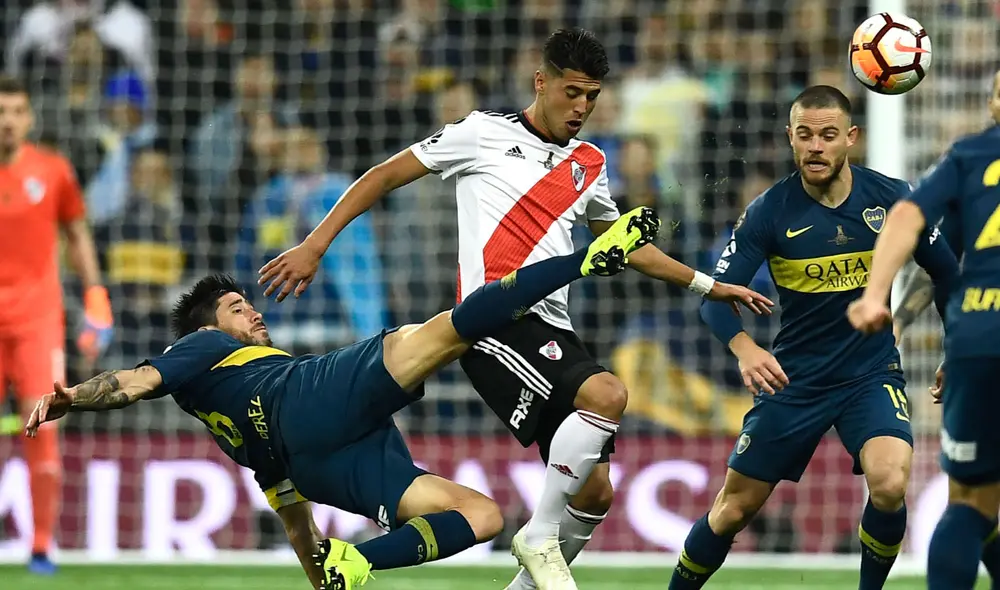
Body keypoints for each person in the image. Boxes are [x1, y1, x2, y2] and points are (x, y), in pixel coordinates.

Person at [256, 27, 773, 590]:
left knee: (596, 490)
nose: (582, 107)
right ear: (541, 82)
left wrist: (706, 284)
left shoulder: (590, 163)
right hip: (492, 319)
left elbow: (626, 246)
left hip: (552, 326)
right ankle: (538, 535)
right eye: (572, 92)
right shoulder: (480, 133)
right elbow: (384, 175)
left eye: (592, 96)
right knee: (608, 393)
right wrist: (314, 244)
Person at [25, 207, 659, 590]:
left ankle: (359, 561)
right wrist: (72, 399)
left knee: (483, 516)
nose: (253, 315)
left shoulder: (223, 412)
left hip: (313, 460)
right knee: (446, 327)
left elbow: (293, 516)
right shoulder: (200, 350)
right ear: (205, 326)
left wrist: (324, 575)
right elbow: (136, 382)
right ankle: (588, 259)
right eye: (237, 309)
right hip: (308, 398)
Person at [669, 85, 959, 590]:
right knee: (732, 510)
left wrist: (951, 346)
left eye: (828, 135)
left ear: (852, 138)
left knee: (890, 484)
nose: (816, 147)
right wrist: (745, 347)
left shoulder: (892, 198)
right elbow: (712, 298)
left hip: (870, 375)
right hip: (794, 380)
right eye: (805, 135)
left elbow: (947, 273)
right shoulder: (768, 211)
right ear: (790, 138)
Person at [848, 70, 1000, 590]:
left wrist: (875, 298)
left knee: (972, 502)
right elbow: (939, 260)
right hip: (975, 340)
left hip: (979, 338)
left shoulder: (969, 157)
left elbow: (908, 218)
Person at [0, 75, 112, 575]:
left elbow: (77, 232)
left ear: (29, 118)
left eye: (17, 111)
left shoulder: (53, 171)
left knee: (42, 422)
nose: (8, 121)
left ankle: (42, 545)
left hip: (37, 320)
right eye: (2, 110)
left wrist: (96, 297)